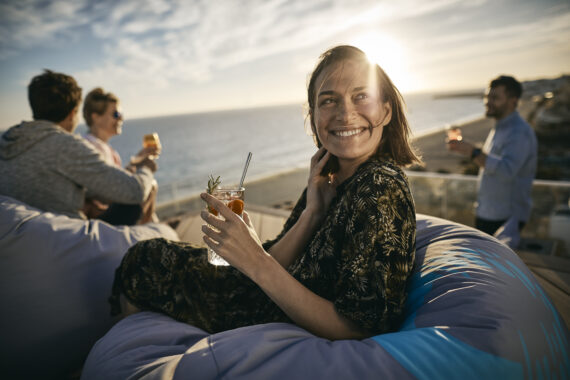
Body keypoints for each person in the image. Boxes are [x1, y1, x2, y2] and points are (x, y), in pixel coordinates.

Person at [110, 45, 421, 340]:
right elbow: (276, 261)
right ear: (313, 116)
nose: (344, 113)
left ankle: (134, 350)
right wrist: (312, 213)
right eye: (328, 100)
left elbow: (359, 327)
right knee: (146, 255)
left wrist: (256, 260)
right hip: (253, 289)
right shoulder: (330, 178)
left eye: (361, 96)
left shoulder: (380, 187)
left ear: (387, 110)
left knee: (144, 261)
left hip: (255, 310)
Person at [0, 70, 157, 221]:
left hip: (17, 233)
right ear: (72, 113)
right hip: (65, 237)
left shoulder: (8, 140)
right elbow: (134, 192)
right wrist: (147, 167)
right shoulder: (65, 145)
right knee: (140, 208)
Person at [447, 75, 537, 248]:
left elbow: (506, 171)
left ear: (513, 101)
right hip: (488, 212)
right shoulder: (500, 127)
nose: (487, 102)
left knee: (496, 270)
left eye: (495, 98)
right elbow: (492, 160)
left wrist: (473, 152)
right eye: (487, 97)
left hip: (505, 219)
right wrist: (469, 149)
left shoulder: (519, 132)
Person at [82, 87, 161, 224]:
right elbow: (108, 191)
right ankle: (149, 232)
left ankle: (152, 229)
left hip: (108, 210)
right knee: (149, 185)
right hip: (101, 218)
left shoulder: (106, 149)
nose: (122, 118)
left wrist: (138, 160)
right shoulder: (88, 147)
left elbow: (115, 181)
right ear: (96, 117)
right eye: (116, 114)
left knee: (149, 185)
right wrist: (142, 167)